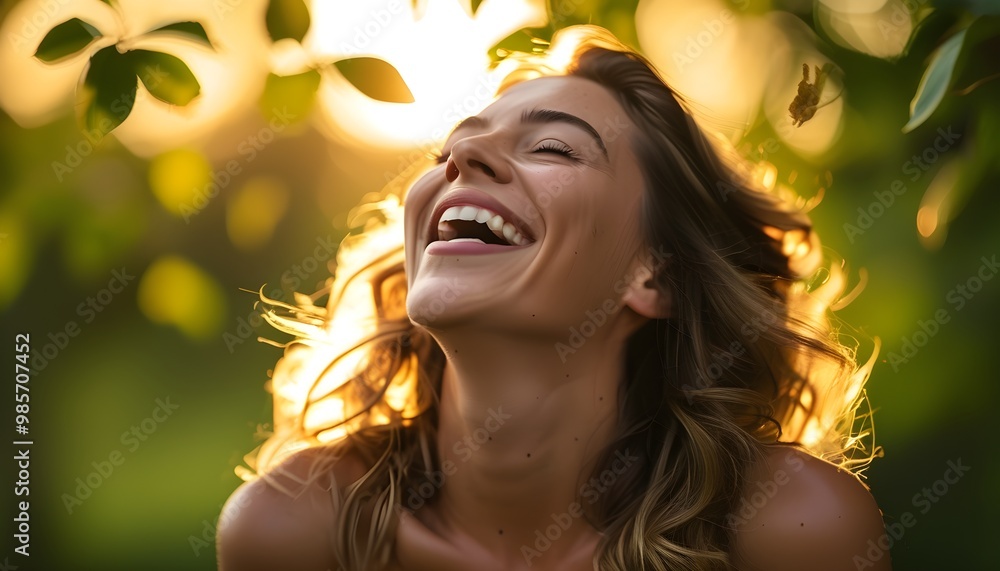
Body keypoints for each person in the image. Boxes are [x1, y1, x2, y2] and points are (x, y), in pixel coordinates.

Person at [217, 25, 890, 571]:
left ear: (655, 276)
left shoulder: (793, 528)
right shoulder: (294, 527)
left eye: (552, 147)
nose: (463, 159)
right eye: (451, 149)